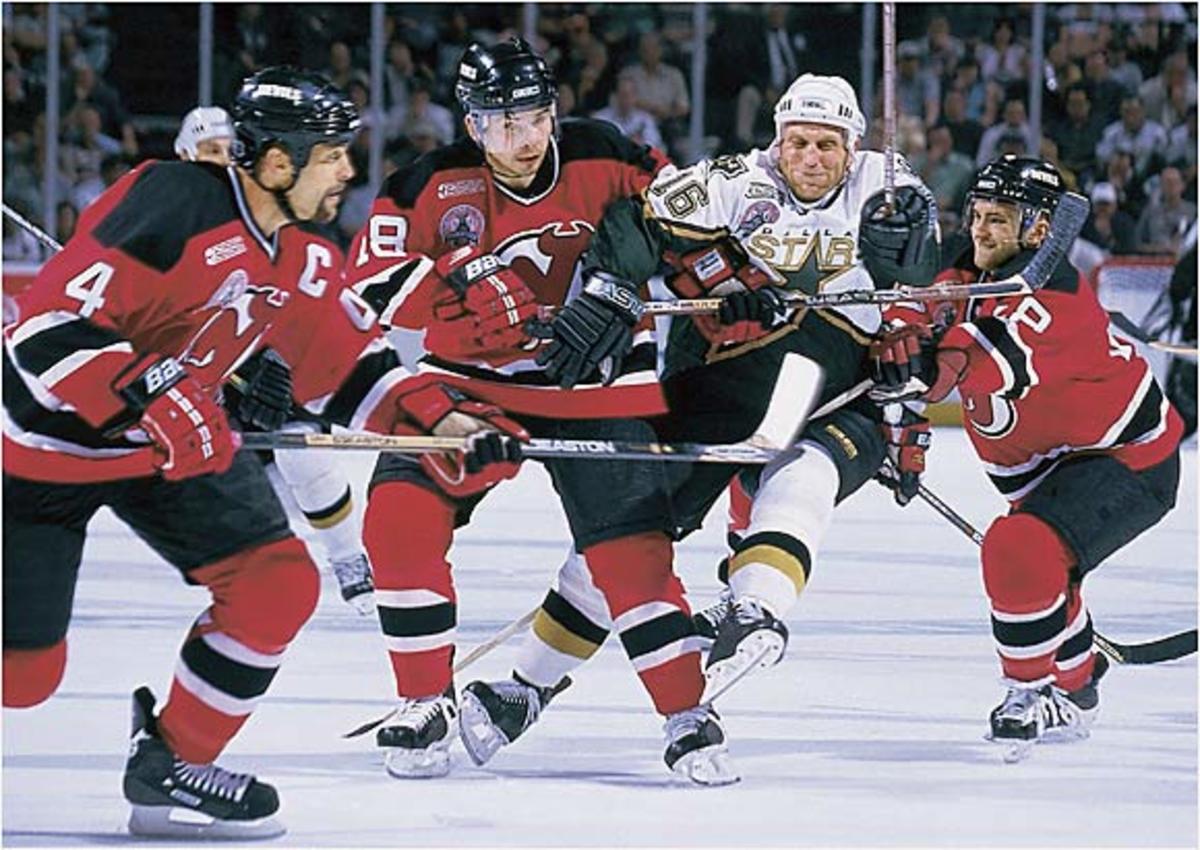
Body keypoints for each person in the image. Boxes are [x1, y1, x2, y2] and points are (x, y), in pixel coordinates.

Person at [2, 66, 521, 838]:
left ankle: (170, 767)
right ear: (277, 163)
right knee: (24, 678)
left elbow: (349, 366)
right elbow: (45, 334)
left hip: (169, 449)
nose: (347, 172)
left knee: (276, 583)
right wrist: (151, 389)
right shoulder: (174, 202)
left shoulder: (301, 255)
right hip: (47, 446)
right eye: (331, 156)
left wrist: (446, 425)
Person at [460, 73, 940, 768]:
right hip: (741, 384)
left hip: (854, 393)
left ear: (853, 146)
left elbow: (924, 278)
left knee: (805, 475)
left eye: (827, 145)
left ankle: (755, 607)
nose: (811, 158)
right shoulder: (733, 183)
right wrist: (615, 286)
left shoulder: (887, 186)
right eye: (798, 142)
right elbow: (635, 222)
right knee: (629, 534)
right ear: (776, 141)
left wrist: (909, 313)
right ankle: (525, 688)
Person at [343, 38, 736, 785]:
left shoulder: (605, 152)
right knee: (397, 519)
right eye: (504, 123)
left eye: (536, 118)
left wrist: (722, 285)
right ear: (472, 124)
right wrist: (455, 277)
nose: (525, 138)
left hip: (596, 383)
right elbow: (369, 287)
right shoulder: (426, 183)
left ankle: (686, 714)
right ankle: (424, 701)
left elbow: (692, 220)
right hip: (470, 386)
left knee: (631, 553)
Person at [870, 155, 1184, 756]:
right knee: (1037, 568)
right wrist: (900, 413)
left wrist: (908, 371)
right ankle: (1078, 684)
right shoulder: (964, 269)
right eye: (978, 215)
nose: (982, 231)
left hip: (1127, 459)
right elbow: (911, 316)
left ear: (1039, 229)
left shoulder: (1055, 298)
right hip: (1043, 470)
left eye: (1000, 220)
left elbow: (952, 366)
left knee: (1019, 548)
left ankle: (1029, 693)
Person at [175, 102, 376, 614]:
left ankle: (348, 555)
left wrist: (273, 361)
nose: (221, 161)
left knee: (300, 442)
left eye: (228, 151)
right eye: (209, 151)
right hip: (182, 384)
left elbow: (298, 304)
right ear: (185, 157)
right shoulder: (164, 214)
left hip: (255, 369)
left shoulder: (271, 215)